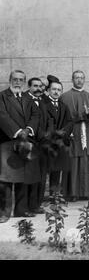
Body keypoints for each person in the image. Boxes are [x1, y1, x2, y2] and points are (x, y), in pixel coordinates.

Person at [60, 70, 89, 201]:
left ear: (84, 80)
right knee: (74, 162)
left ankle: (86, 192)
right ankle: (73, 193)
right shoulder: (65, 96)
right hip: (73, 131)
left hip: (88, 131)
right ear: (72, 79)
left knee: (87, 162)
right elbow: (63, 117)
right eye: (76, 78)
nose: (79, 80)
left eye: (81, 78)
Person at [0, 70, 40, 223]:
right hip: (7, 141)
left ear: (24, 82)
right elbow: (2, 116)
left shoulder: (27, 98)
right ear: (10, 80)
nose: (18, 82)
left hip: (25, 141)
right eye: (15, 79)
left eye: (21, 80)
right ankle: (4, 213)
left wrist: (28, 130)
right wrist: (17, 131)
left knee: (23, 176)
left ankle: (21, 210)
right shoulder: (2, 96)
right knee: (6, 179)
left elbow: (36, 115)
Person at [42, 80, 73, 197]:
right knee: (45, 171)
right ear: (49, 90)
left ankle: (54, 196)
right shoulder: (43, 105)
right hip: (47, 143)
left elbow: (70, 122)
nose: (56, 92)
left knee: (56, 171)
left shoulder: (63, 106)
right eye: (54, 89)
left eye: (59, 90)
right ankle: (40, 198)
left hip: (60, 143)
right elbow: (43, 123)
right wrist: (53, 134)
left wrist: (63, 132)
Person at [23, 77, 48, 214]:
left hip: (43, 144)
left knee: (41, 175)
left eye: (40, 86)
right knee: (29, 176)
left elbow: (48, 119)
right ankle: (26, 206)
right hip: (29, 142)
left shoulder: (43, 100)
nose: (39, 88)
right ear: (29, 86)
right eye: (35, 86)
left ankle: (36, 205)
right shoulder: (23, 99)